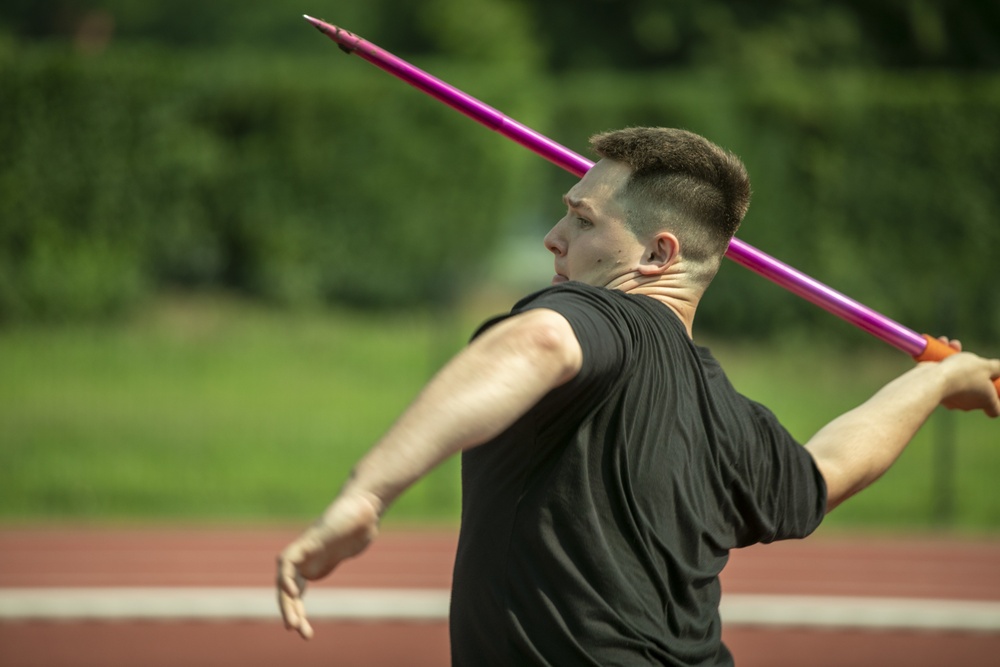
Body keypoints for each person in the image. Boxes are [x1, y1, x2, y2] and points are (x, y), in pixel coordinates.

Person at [276, 127, 1000, 665]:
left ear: (658, 254)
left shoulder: (604, 317)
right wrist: (936, 380)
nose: (555, 239)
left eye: (584, 219)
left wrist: (367, 493)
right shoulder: (731, 416)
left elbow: (536, 342)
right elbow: (829, 467)